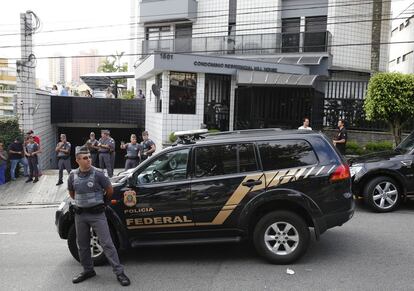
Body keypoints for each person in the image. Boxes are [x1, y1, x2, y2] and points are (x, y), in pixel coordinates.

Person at [68, 146, 130, 286]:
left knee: (107, 244)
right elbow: (72, 193)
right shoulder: (73, 175)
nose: (89, 160)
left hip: (97, 214)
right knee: (83, 245)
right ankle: (88, 270)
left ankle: (119, 273)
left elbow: (109, 190)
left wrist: (104, 203)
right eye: (85, 158)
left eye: (89, 157)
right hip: (80, 215)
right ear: (77, 160)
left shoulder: (98, 174)